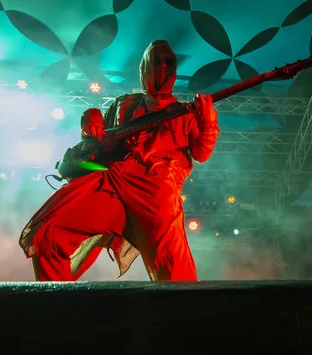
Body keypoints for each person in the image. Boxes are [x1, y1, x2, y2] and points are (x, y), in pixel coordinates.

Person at [19, 40, 220, 281]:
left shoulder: (186, 114)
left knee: (176, 275)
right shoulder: (123, 104)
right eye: (156, 62)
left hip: (157, 193)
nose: (163, 69)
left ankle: (185, 317)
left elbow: (201, 154)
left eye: (169, 63)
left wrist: (208, 124)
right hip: (113, 183)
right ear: (144, 67)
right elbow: (98, 138)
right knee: (48, 234)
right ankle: (59, 308)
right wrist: (89, 118)